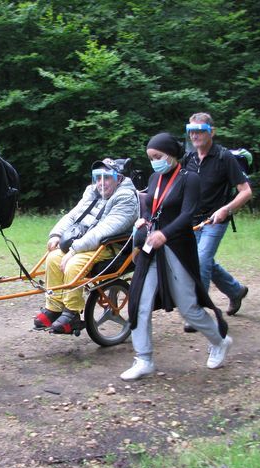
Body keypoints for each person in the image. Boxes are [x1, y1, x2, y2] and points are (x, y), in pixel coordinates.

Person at [121, 132, 232, 381]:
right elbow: (153, 207)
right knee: (139, 301)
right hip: (152, 248)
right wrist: (145, 220)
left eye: (158, 156)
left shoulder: (189, 178)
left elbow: (187, 214)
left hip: (178, 248)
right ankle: (144, 359)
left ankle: (219, 341)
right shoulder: (154, 177)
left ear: (171, 155)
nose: (154, 162)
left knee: (189, 308)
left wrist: (165, 234)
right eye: (151, 157)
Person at [34, 158, 138, 334]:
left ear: (118, 178)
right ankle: (54, 307)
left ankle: (72, 314)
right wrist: (56, 234)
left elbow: (104, 231)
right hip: (85, 243)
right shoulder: (92, 192)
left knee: (74, 264)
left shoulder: (126, 198)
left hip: (109, 246)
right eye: (98, 178)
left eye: (107, 178)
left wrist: (73, 250)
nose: (101, 183)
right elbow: (74, 215)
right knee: (53, 259)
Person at [183, 112, 253, 319]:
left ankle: (197, 313)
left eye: (200, 130)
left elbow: (246, 191)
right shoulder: (189, 158)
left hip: (215, 220)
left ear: (211, 132)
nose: (195, 135)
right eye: (191, 131)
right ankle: (235, 291)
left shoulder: (224, 157)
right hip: (193, 221)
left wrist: (225, 210)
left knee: (201, 261)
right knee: (206, 262)